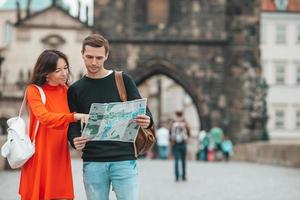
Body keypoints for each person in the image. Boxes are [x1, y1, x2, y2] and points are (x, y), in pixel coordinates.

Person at [67, 34, 154, 200]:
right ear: (82, 54)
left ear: (106, 55)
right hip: (93, 161)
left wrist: (147, 120)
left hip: (124, 159)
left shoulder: (123, 80)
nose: (93, 62)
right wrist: (74, 139)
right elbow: (72, 124)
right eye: (89, 57)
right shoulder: (75, 89)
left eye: (99, 58)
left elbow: (144, 111)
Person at [19, 50, 88, 200]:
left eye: (66, 68)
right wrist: (74, 116)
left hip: (60, 152)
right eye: (58, 70)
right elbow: (45, 118)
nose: (64, 73)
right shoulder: (33, 91)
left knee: (60, 194)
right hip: (40, 154)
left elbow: (78, 119)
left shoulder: (67, 91)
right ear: (46, 72)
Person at [170, 111, 190, 181]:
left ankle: (177, 176)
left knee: (176, 160)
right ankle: (184, 176)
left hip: (175, 143)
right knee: (183, 160)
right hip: (183, 143)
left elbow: (170, 133)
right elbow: (189, 132)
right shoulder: (185, 123)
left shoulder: (173, 123)